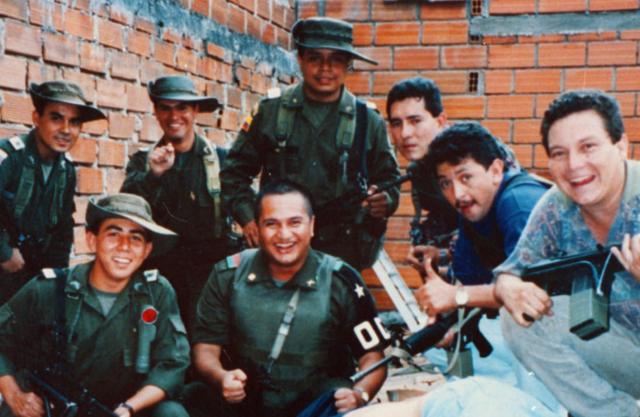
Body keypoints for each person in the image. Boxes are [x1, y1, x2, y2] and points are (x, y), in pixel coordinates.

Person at [188, 180, 388, 417]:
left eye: (295, 223)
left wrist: (359, 394)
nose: (284, 235)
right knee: (194, 396)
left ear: (312, 225)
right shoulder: (229, 274)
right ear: (257, 228)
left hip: (312, 405)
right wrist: (221, 377)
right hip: (245, 402)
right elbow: (205, 348)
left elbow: (373, 358)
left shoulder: (341, 281)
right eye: (271, 224)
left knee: (337, 396)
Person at [494, 90, 640, 417]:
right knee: (524, 318)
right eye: (560, 153)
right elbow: (510, 273)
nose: (574, 165)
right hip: (625, 353)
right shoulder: (557, 206)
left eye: (588, 147)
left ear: (620, 146)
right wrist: (509, 288)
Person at [220, 17, 401, 271]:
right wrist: (249, 217)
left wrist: (384, 200)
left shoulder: (367, 120)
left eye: (336, 59)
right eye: (315, 58)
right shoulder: (271, 111)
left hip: (341, 254)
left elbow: (389, 180)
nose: (325, 68)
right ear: (300, 60)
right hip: (280, 250)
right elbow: (233, 171)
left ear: (348, 64)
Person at [414, 122, 561, 413]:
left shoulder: (518, 202)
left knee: (523, 332)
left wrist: (454, 297)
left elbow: (531, 294)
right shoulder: (473, 211)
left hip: (573, 324)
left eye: (466, 177)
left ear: (495, 171)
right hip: (533, 320)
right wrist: (448, 323)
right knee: (436, 346)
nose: (457, 194)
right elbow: (468, 284)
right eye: (446, 183)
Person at [0, 193, 190, 417]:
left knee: (171, 413)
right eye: (113, 234)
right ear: (91, 240)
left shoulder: (156, 293)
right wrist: (14, 395)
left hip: (125, 409)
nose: (124, 247)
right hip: (58, 409)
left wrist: (129, 408)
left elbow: (172, 363)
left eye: (135, 238)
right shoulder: (51, 289)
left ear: (147, 249)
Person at [121, 75, 237, 332]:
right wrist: (154, 175)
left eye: (182, 107)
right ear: (156, 111)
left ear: (195, 110)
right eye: (165, 107)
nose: (174, 116)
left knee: (204, 342)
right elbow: (126, 211)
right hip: (159, 273)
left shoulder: (220, 159)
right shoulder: (142, 161)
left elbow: (242, 203)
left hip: (207, 276)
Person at [0, 81, 106, 305]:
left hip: (29, 279)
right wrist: (4, 252)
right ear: (37, 118)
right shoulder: (9, 158)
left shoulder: (65, 171)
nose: (66, 130)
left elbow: (62, 232)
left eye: (74, 122)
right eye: (56, 118)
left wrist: (57, 280)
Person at [386, 77, 459, 270]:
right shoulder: (419, 169)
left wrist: (445, 253)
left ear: (441, 121)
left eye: (415, 121)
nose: (405, 133)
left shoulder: (467, 157)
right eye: (396, 123)